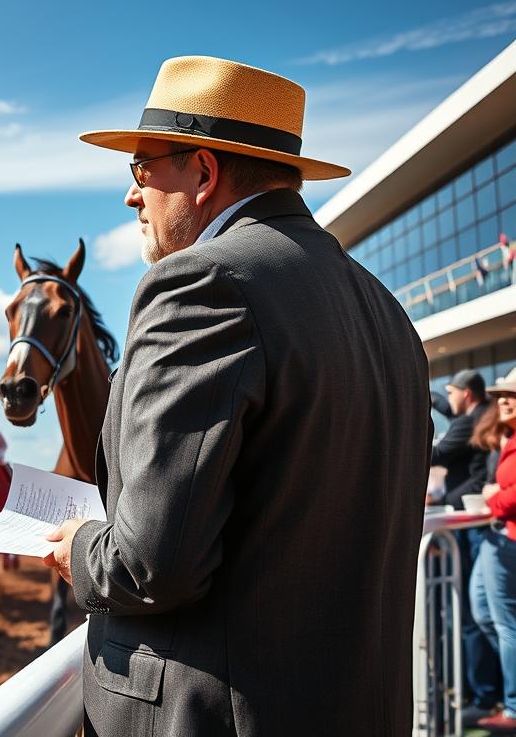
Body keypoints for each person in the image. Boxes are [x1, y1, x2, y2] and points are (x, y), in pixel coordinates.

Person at [43, 56, 430, 735]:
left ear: (202, 171)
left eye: (142, 169)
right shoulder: (387, 311)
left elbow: (148, 565)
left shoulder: (202, 283)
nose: (132, 195)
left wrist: (78, 545)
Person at [428, 370, 502, 721]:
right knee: (475, 614)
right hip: (478, 526)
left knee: (472, 615)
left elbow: (439, 453)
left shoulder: (468, 421)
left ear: (467, 394)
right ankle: (482, 691)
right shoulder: (476, 417)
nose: (449, 398)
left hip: (475, 529)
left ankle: (481, 692)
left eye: (453, 391)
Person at [471, 368, 516, 732]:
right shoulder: (508, 437)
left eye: (512, 395)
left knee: (506, 625)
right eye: (502, 394)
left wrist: (492, 498)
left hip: (508, 538)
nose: (503, 400)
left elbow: (510, 497)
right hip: (498, 538)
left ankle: (514, 709)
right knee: (484, 611)